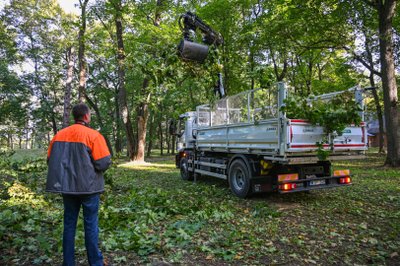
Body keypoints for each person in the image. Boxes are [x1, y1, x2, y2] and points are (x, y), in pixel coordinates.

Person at [46, 103, 111, 266]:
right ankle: (95, 263)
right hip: (89, 188)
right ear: (87, 116)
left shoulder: (58, 135)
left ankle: (68, 263)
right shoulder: (94, 136)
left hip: (67, 189)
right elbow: (103, 163)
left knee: (69, 224)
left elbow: (50, 160)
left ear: (75, 116)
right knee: (91, 225)